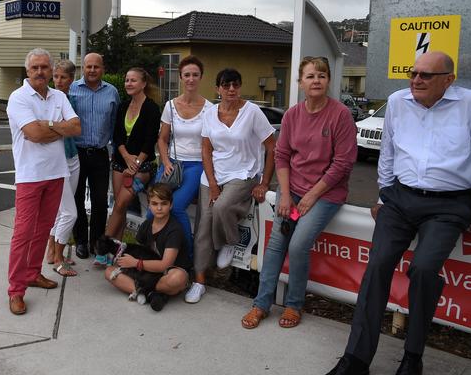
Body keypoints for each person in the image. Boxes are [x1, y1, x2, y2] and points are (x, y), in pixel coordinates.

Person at [326, 51, 471, 375]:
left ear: (448, 81)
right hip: (399, 199)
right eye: (413, 73)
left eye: (425, 75)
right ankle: (356, 359)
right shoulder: (397, 102)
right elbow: (388, 151)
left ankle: (412, 357)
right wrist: (384, 194)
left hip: (449, 205)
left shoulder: (470, 105)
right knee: (377, 266)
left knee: (423, 269)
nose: (416, 80)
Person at [241, 56, 357, 330]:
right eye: (310, 76)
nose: (316, 80)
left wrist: (312, 195)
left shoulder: (340, 114)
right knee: (275, 247)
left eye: (321, 75)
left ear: (328, 80)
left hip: (326, 194)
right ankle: (261, 304)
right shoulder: (293, 114)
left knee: (298, 245)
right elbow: (281, 156)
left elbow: (343, 162)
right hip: (292, 192)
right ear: (300, 82)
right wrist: (284, 194)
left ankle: (294, 305)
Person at [186, 68, 276, 304]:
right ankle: (199, 282)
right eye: (226, 86)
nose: (231, 90)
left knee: (222, 208)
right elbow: (206, 150)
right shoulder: (210, 114)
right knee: (203, 226)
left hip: (244, 173)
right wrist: (213, 183)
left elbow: (272, 147)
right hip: (214, 174)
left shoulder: (252, 112)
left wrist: (264, 182)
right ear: (218, 89)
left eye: (235, 85)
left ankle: (228, 241)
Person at [5, 48, 81, 315]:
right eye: (35, 67)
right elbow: (34, 134)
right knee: (23, 234)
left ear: (51, 70)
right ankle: (16, 290)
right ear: (27, 71)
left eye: (44, 67)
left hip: (56, 173)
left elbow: (76, 127)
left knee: (42, 230)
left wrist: (47, 125)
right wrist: (56, 127)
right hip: (30, 176)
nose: (40, 72)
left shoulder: (59, 95)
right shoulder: (18, 98)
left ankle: (33, 274)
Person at [149, 55, 213, 260]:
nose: (191, 79)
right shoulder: (170, 105)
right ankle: (157, 252)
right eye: (187, 75)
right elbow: (162, 139)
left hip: (196, 165)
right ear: (181, 77)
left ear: (201, 77)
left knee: (175, 207)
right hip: (172, 163)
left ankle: (187, 258)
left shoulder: (210, 109)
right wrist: (166, 162)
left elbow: (211, 145)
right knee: (154, 209)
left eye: (195, 75)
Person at [100, 68, 161, 255]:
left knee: (119, 205)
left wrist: (135, 163)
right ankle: (116, 251)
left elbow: (150, 140)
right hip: (120, 162)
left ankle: (104, 247)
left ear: (143, 84)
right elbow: (117, 135)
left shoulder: (151, 108)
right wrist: (126, 157)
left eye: (133, 80)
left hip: (143, 167)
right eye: (126, 80)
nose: (128, 83)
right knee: (121, 207)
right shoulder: (122, 106)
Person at [104, 183, 192, 311]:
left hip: (168, 272)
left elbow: (165, 265)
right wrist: (126, 261)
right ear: (149, 205)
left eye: (164, 203)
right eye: (155, 204)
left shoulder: (175, 230)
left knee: (178, 279)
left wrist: (136, 263)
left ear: (171, 205)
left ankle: (144, 291)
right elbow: (139, 251)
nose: (159, 208)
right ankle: (152, 294)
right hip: (148, 272)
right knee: (109, 272)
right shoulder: (146, 225)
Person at [69, 53, 120, 259]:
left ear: (103, 69)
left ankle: (96, 243)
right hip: (77, 153)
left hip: (100, 154)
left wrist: (115, 151)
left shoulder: (112, 92)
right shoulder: (72, 90)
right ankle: (80, 240)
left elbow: (115, 123)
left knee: (100, 201)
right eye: (88, 66)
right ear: (83, 68)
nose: (91, 70)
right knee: (77, 199)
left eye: (96, 67)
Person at [44, 60, 80, 277]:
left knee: (62, 209)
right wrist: (60, 127)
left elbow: (75, 128)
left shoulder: (72, 99)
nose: (58, 81)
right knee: (69, 213)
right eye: (55, 76)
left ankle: (52, 251)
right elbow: (49, 127)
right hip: (57, 161)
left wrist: (60, 127)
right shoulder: (49, 99)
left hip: (73, 157)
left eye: (63, 77)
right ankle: (57, 256)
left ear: (71, 79)